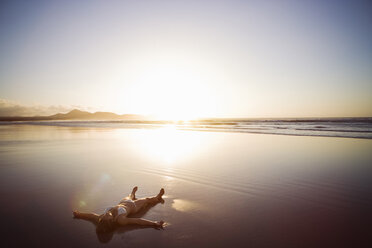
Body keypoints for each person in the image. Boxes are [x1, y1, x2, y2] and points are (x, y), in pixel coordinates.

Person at [73, 186, 165, 233]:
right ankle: (158, 197)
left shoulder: (101, 219)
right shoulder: (121, 220)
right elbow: (138, 221)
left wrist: (79, 214)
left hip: (122, 202)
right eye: (107, 216)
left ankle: (133, 193)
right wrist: (154, 223)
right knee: (147, 200)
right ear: (111, 221)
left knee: (129, 196)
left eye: (104, 216)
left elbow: (91, 216)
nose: (106, 214)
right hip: (134, 206)